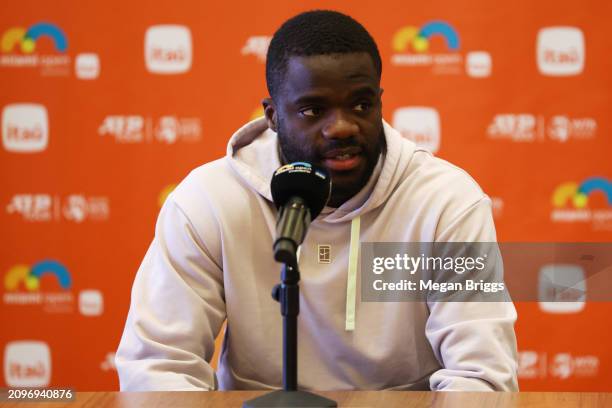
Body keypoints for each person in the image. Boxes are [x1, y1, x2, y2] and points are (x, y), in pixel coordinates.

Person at [116, 10, 518, 391]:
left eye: (361, 105)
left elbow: (481, 376)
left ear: (380, 102)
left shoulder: (445, 202)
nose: (342, 127)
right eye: (313, 109)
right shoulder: (209, 201)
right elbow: (159, 365)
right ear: (272, 116)